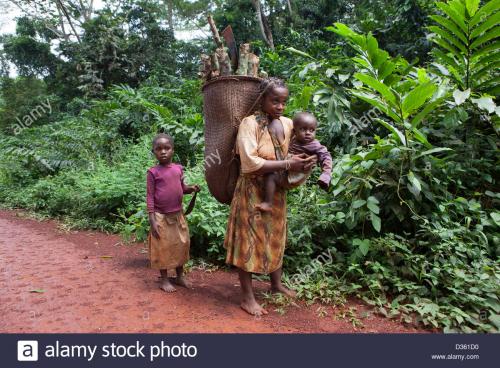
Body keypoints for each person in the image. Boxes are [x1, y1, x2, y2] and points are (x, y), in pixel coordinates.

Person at [224, 77, 317, 316]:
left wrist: (308, 161)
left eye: (284, 102)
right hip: (251, 192)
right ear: (262, 99)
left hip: (276, 192)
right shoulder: (249, 123)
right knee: (249, 240)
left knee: (276, 235)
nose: (280, 106)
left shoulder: (288, 124)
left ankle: (276, 285)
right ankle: (247, 297)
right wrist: (287, 163)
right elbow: (249, 162)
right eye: (275, 100)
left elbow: (300, 149)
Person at [146, 133, 200, 293]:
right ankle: (164, 279)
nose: (163, 152)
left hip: (177, 215)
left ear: (173, 150)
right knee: (163, 247)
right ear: (154, 151)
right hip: (160, 216)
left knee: (180, 245)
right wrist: (152, 218)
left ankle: (180, 276)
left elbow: (181, 188)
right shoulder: (152, 172)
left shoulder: (178, 169)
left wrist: (191, 189)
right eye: (159, 149)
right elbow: (150, 196)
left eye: (167, 148)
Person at [255, 112, 333, 213]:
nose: (308, 133)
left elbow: (326, 156)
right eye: (303, 129)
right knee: (272, 170)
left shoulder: (314, 144)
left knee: (271, 175)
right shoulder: (293, 138)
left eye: (312, 130)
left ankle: (268, 203)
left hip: (297, 173)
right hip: (288, 167)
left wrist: (326, 174)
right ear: (294, 131)